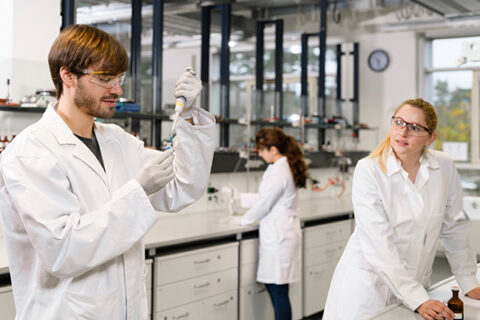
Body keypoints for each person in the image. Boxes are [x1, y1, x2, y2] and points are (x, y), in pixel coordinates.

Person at [0, 24, 215, 319]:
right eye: (104, 78)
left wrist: (190, 117)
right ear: (67, 75)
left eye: (119, 78)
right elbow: (63, 251)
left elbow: (183, 188)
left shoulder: (118, 141)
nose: (117, 89)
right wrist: (138, 192)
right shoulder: (31, 153)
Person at [323, 98, 480, 320]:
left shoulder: (444, 167)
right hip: (369, 289)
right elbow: (379, 244)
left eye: (414, 127)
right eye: (399, 122)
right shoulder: (369, 170)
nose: (403, 132)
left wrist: (468, 281)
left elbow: (455, 227)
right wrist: (418, 299)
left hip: (416, 286)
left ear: (430, 137)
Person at [234, 127, 308, 320]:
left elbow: (265, 204)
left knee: (278, 290)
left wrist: (243, 220)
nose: (259, 153)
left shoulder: (279, 170)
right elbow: (266, 197)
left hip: (279, 235)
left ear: (273, 149)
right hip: (282, 232)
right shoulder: (280, 167)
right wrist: (239, 198)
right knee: (277, 288)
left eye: (261, 149)